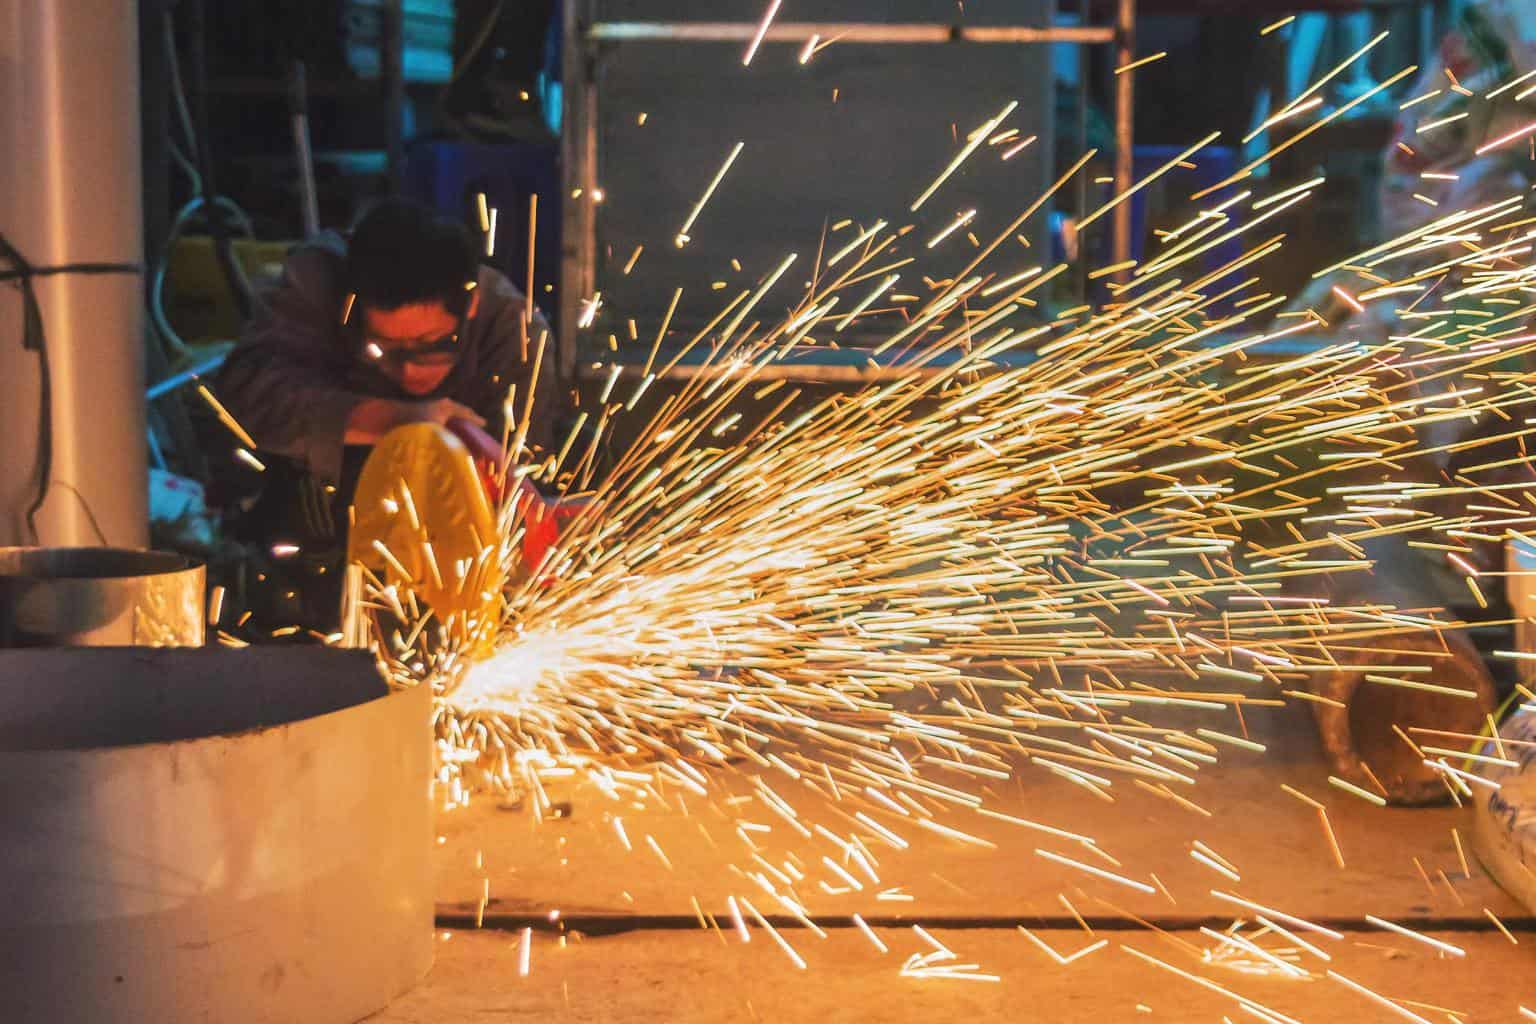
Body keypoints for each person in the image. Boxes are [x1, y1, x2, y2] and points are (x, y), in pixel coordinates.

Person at [216, 197, 559, 632]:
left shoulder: (516, 330)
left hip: (454, 562)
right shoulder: (317, 283)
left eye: (434, 344)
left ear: (469, 305)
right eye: (387, 348)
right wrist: (397, 421)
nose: (411, 369)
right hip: (314, 537)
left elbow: (522, 484)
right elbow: (246, 398)